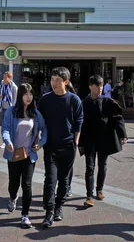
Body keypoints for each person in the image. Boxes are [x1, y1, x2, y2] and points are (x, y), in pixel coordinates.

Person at [38, 67, 83, 228]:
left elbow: (79, 121)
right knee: (50, 180)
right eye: (52, 79)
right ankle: (49, 212)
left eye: (58, 80)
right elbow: (38, 121)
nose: (54, 83)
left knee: (64, 181)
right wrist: (38, 138)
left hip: (68, 145)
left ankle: (59, 207)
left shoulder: (74, 100)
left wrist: (76, 142)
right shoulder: (45, 100)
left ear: (66, 82)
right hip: (50, 145)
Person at [1, 83, 47, 229]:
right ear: (20, 96)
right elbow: (5, 128)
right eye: (26, 94)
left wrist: (40, 144)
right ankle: (13, 197)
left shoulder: (36, 113)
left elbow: (44, 129)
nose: (29, 97)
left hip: (29, 155)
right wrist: (8, 142)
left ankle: (25, 215)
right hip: (14, 154)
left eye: (31, 94)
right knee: (13, 183)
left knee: (26, 184)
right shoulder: (11, 111)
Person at [79, 75, 127, 207]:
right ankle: (89, 195)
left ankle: (99, 189)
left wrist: (123, 134)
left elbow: (118, 118)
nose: (100, 88)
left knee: (103, 165)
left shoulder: (107, 102)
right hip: (89, 139)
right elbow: (79, 122)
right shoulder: (84, 103)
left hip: (104, 138)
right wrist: (78, 139)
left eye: (101, 86)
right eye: (97, 86)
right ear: (90, 87)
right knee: (90, 167)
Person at [0, 71, 18, 149]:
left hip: (10, 109)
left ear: (10, 78)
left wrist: (14, 109)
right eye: (3, 77)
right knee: (2, 126)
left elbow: (15, 99)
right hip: (2, 108)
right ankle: (4, 142)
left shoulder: (13, 87)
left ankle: (10, 141)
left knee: (10, 126)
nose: (4, 79)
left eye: (6, 77)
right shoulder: (1, 85)